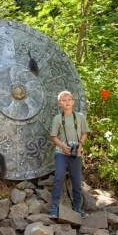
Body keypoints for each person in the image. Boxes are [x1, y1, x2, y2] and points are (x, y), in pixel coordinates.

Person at [49, 91, 90, 220]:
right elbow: (53, 136)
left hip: (76, 153)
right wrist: (62, 146)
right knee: (59, 176)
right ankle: (55, 206)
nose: (66, 102)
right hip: (61, 152)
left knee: (77, 180)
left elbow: (85, 133)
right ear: (60, 103)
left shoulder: (80, 117)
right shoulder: (57, 118)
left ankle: (77, 207)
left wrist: (80, 144)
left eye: (69, 99)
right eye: (63, 100)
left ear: (73, 101)